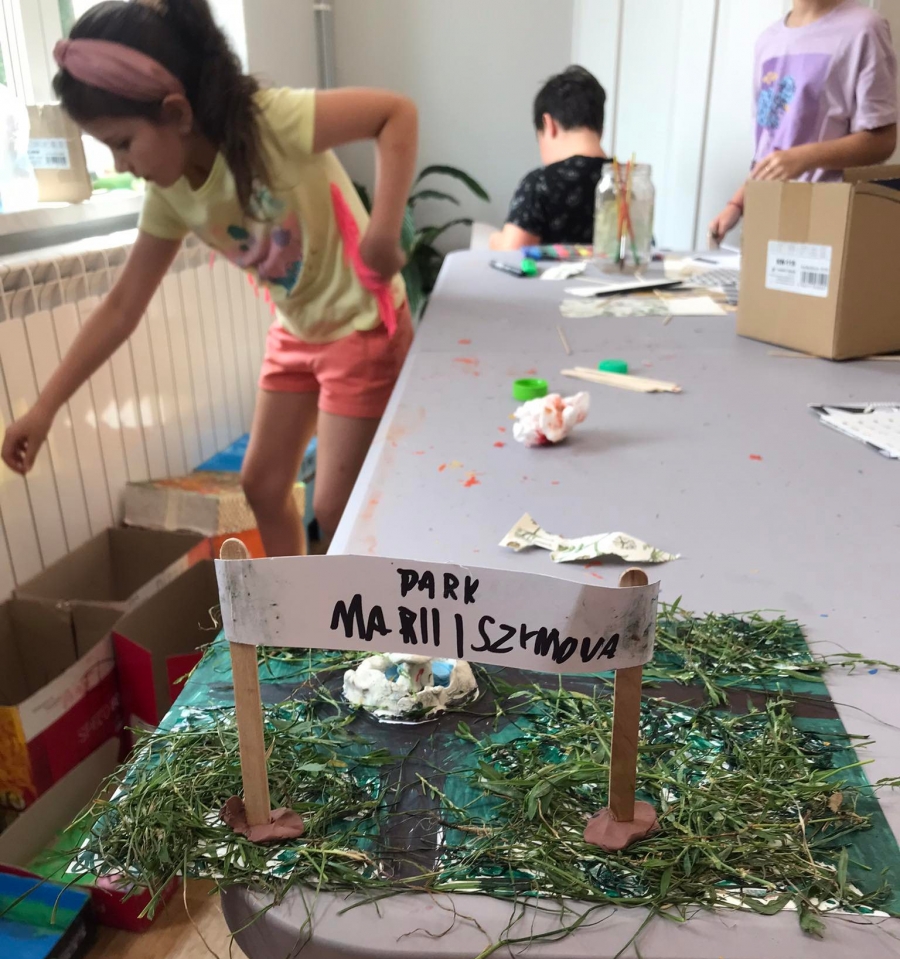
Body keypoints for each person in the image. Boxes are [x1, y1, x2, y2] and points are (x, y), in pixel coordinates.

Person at [0, 0, 418, 556]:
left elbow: (395, 114)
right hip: (298, 330)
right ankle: (289, 605)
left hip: (362, 323)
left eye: (122, 143)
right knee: (262, 486)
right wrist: (43, 408)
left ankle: (372, 600)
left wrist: (383, 230)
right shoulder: (169, 194)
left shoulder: (272, 121)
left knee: (338, 508)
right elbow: (122, 306)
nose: (121, 166)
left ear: (176, 112)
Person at [709, 0, 897, 244]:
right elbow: (770, 146)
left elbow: (883, 140)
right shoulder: (768, 41)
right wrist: (736, 203)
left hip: (827, 220)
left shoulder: (864, 28)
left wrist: (805, 158)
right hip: (768, 214)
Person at [490, 65, 609, 251]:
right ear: (600, 128)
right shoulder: (628, 183)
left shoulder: (540, 184)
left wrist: (495, 240)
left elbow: (511, 253)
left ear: (548, 124)